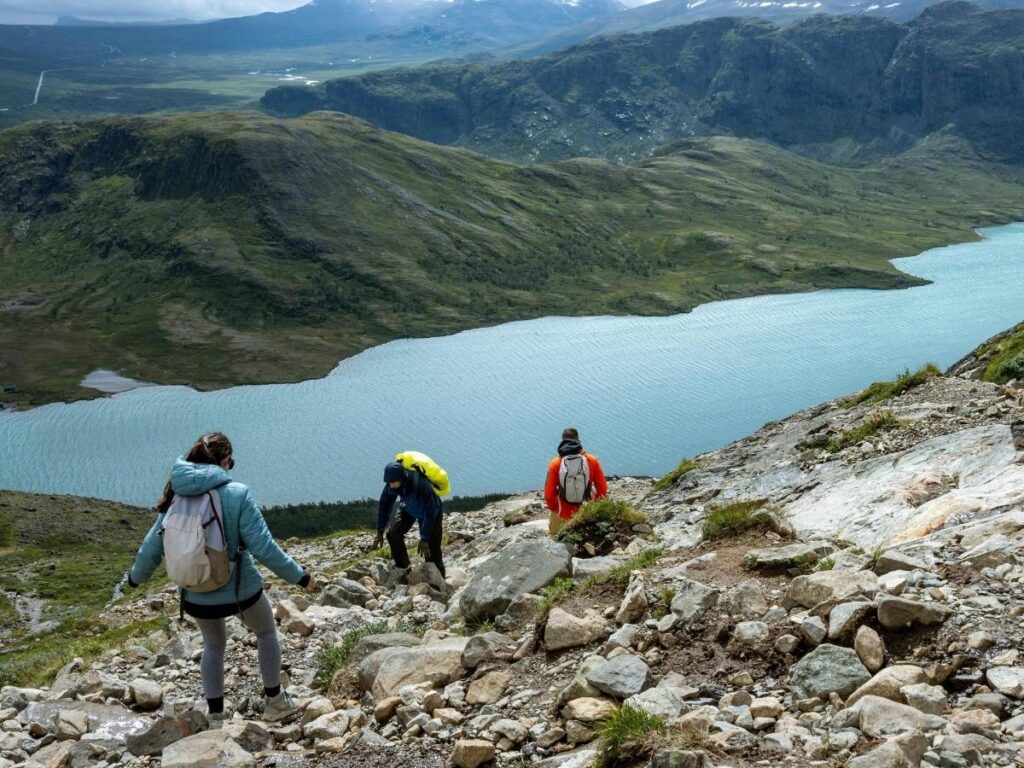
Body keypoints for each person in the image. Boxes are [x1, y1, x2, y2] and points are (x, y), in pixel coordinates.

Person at [126, 432, 316, 724]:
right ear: (224, 460)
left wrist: (134, 580)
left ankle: (215, 715)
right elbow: (264, 547)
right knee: (265, 633)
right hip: (241, 589)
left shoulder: (177, 495)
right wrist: (300, 578)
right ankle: (275, 701)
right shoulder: (236, 493)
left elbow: (152, 546)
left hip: (195, 592)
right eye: (231, 460)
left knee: (213, 646)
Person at [373, 461, 445, 577]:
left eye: (393, 482)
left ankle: (440, 582)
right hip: (409, 507)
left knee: (432, 548)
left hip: (432, 511)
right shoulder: (393, 483)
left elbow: (430, 511)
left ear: (401, 478)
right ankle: (404, 569)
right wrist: (380, 531)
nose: (390, 485)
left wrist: (425, 538)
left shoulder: (419, 484)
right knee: (393, 534)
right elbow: (384, 505)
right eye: (388, 482)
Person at [544, 427, 609, 537]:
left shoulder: (556, 463)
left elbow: (549, 493)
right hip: (586, 512)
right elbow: (602, 488)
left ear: (562, 441)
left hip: (562, 513)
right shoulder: (591, 460)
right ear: (579, 442)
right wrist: (595, 508)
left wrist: (555, 508)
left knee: (554, 540)